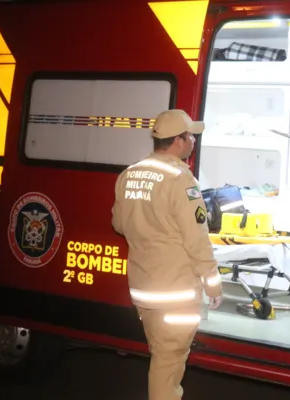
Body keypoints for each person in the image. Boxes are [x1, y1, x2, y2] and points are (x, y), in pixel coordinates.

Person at [111, 109, 224, 400]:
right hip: (175, 292)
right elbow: (197, 239)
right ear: (179, 141)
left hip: (143, 288)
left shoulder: (130, 173)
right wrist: (213, 282)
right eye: (191, 136)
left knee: (161, 356)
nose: (193, 141)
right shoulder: (181, 180)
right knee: (168, 364)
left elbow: (119, 223)